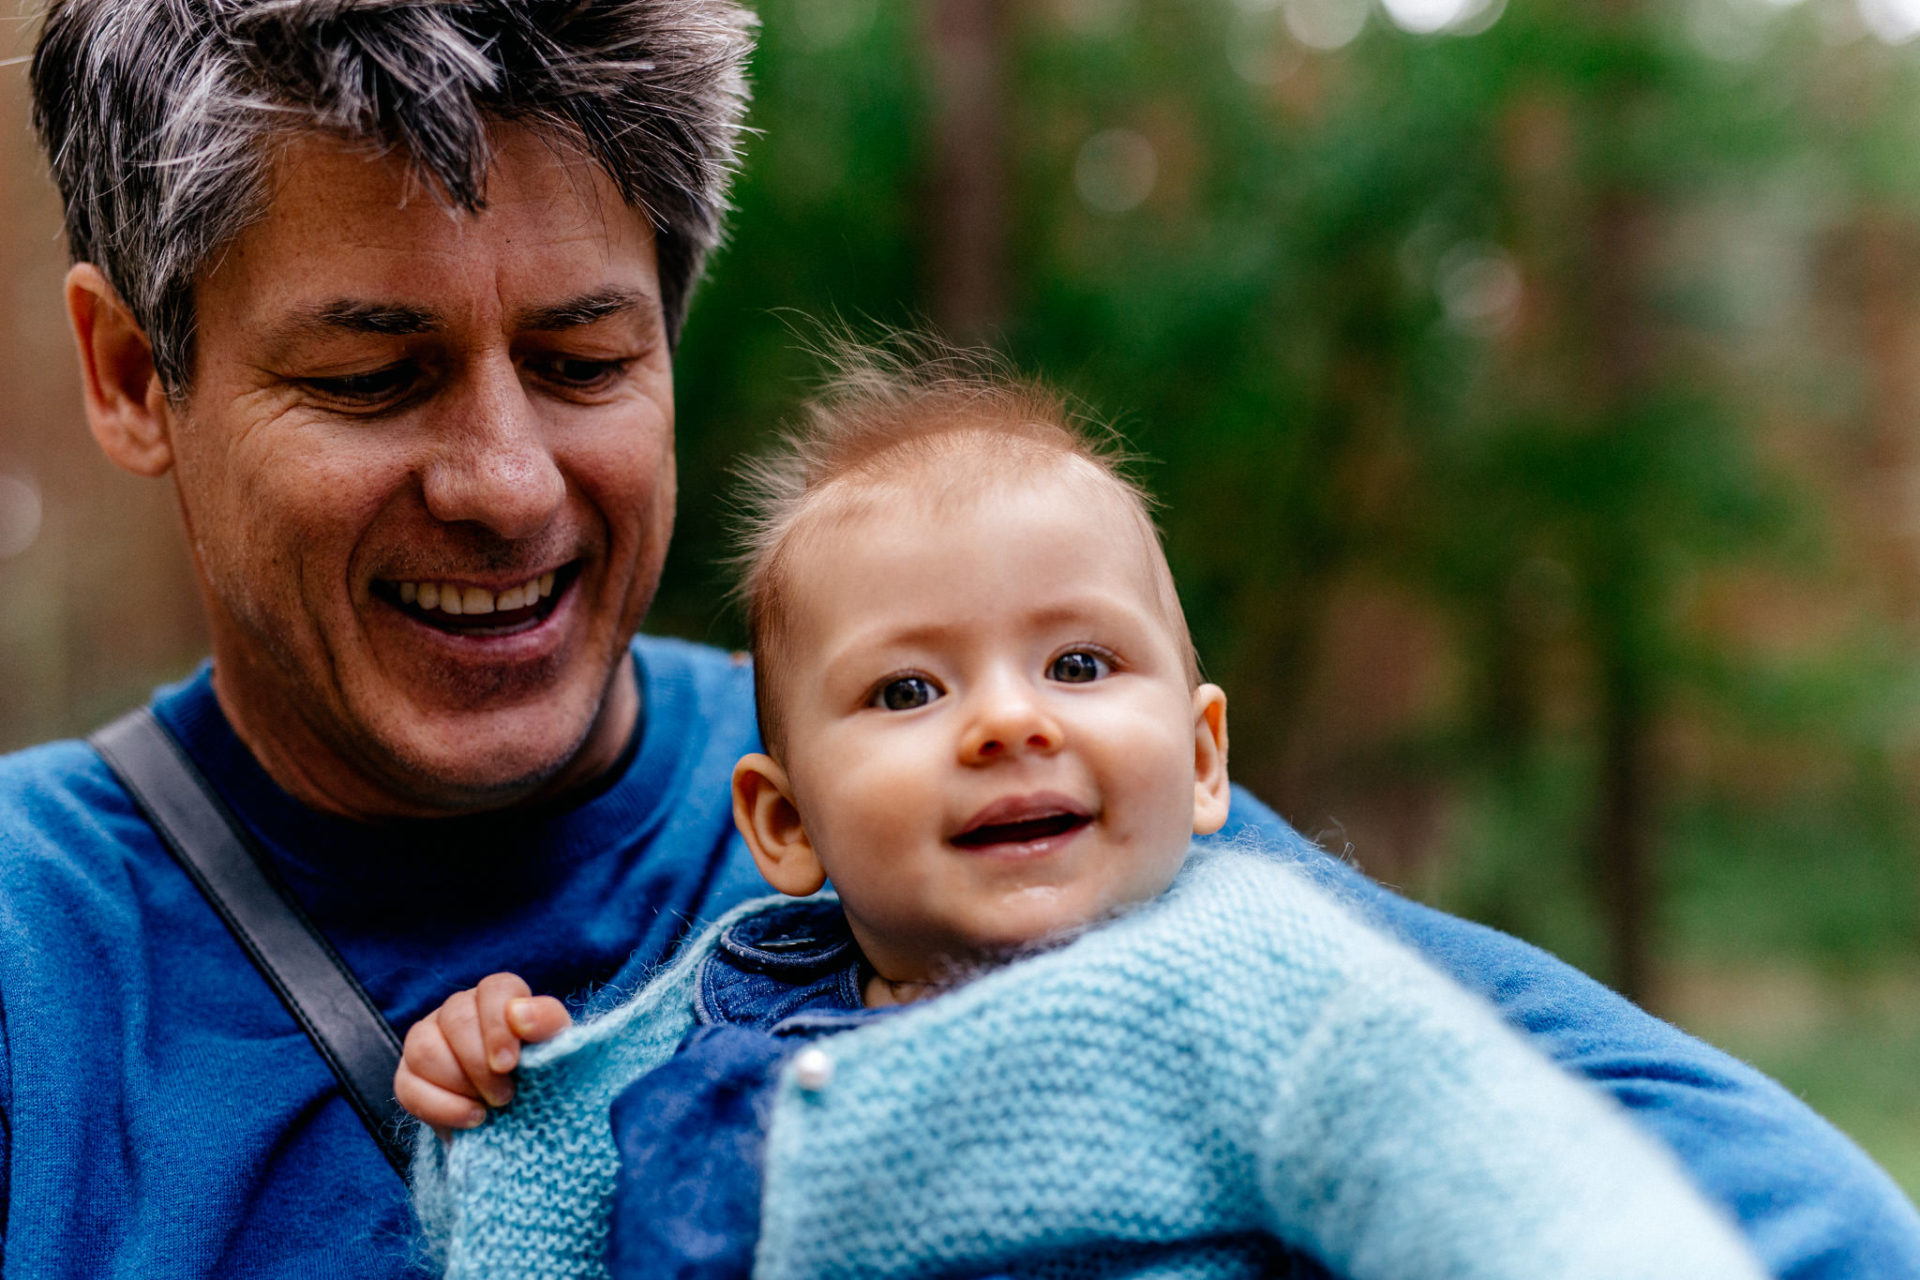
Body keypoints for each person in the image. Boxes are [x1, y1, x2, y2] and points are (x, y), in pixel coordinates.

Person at [0, 1, 1914, 1277]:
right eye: (372, 373)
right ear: (129, 371)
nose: (506, 480)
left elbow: (1784, 1225)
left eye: (586, 357)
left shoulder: (1043, 838)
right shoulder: (39, 960)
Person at [396, 348, 1768, 1280]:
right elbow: (547, 1220)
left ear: (1204, 754)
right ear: (784, 823)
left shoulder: (1257, 985)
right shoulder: (721, 1004)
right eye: (910, 687)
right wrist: (485, 1108)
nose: (1011, 722)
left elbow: (1524, 1195)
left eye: (1080, 664)